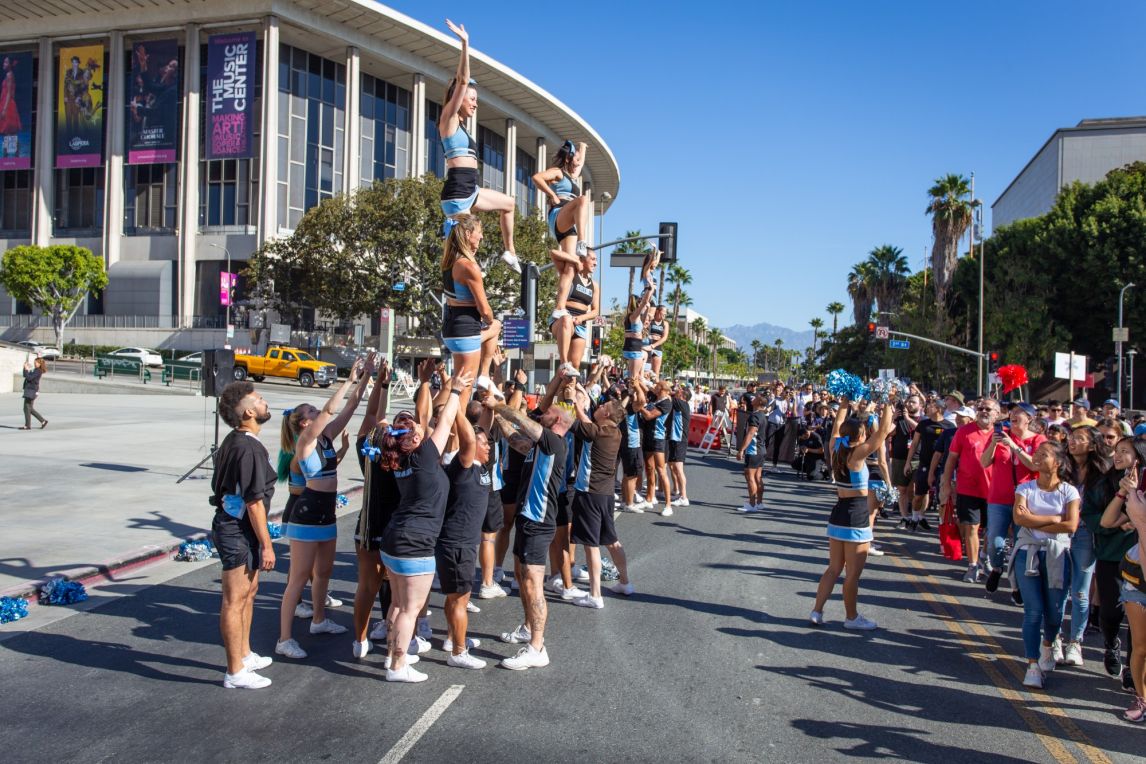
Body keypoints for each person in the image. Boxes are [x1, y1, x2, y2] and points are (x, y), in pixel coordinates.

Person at [378, 367, 472, 683]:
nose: (423, 426)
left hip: (395, 540)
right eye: (419, 428)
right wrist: (456, 390)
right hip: (414, 543)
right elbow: (443, 420)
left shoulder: (402, 460)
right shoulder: (425, 456)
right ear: (417, 438)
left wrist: (437, 386)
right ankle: (398, 665)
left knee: (398, 605)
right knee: (410, 608)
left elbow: (430, 415)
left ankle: (392, 656)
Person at [275, 358, 372, 661]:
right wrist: (347, 379)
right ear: (305, 423)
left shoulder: (327, 437)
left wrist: (366, 377)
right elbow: (330, 409)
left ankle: (318, 620)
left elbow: (350, 408)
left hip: (327, 512)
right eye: (311, 413)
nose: (318, 413)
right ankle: (284, 638)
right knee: (298, 576)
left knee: (324, 572)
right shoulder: (305, 441)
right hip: (307, 513)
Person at [486, 376, 576, 671]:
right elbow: (514, 438)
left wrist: (497, 403)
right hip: (527, 519)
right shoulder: (539, 448)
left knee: (533, 581)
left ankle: (537, 647)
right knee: (521, 575)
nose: (544, 410)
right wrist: (498, 418)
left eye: (550, 411)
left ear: (559, 420)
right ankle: (527, 627)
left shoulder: (554, 442)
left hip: (539, 522)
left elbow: (523, 421)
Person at [810, 394, 896, 629]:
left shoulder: (835, 447)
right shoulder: (857, 455)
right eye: (863, 434)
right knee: (852, 575)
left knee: (833, 568)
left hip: (838, 513)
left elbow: (837, 426)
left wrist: (844, 405)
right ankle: (851, 618)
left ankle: (817, 611)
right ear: (859, 436)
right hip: (856, 516)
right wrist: (888, 403)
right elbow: (882, 434)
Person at [210, 381, 276, 689]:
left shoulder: (237, 440)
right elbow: (254, 502)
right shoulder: (248, 448)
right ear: (249, 412)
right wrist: (267, 545)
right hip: (236, 530)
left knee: (249, 594)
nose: (264, 402)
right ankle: (234, 672)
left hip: (239, 528)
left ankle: (245, 654)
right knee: (234, 600)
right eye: (259, 399)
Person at [437, 20, 518, 267]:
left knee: (509, 204)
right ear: (457, 99)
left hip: (470, 189)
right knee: (468, 245)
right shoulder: (448, 119)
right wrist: (465, 44)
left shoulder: (461, 126)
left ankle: (510, 252)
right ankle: (459, 289)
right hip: (459, 192)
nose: (475, 103)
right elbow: (462, 80)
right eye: (471, 99)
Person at [1009, 441, 1081, 690]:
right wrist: (1053, 518)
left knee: (1055, 611)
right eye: (1036, 453)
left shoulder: (1069, 491)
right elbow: (1019, 518)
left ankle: (1048, 644)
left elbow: (1071, 525)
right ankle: (1032, 665)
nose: (1037, 457)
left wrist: (1034, 521)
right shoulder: (1025, 488)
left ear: (1058, 463)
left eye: (1044, 454)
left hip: (1057, 555)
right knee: (1033, 611)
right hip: (1028, 553)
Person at [436, 403, 492, 669]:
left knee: (455, 597)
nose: (488, 446)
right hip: (456, 543)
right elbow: (470, 438)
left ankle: (451, 639)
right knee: (460, 599)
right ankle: (458, 652)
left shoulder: (480, 468)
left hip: (465, 543)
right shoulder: (463, 466)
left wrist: (490, 402)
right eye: (484, 444)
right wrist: (457, 404)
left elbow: (484, 428)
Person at [569, 386, 634, 608]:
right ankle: (624, 582)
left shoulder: (594, 432)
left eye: (602, 406)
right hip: (606, 495)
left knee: (591, 544)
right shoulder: (615, 432)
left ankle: (595, 594)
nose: (598, 406)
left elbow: (579, 421)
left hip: (589, 493)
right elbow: (587, 420)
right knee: (612, 540)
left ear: (606, 414)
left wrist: (573, 401)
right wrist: (582, 398)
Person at [350, 361, 397, 659]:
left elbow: (370, 415)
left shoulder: (365, 454)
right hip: (394, 529)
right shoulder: (403, 459)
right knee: (399, 590)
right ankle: (397, 643)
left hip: (367, 526)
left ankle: (360, 640)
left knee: (366, 586)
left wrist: (380, 385)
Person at [1093, 437, 1143, 692]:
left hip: (1140, 564)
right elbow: (1104, 521)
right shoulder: (1105, 481)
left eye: (1126, 451)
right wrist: (1125, 493)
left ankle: (1135, 677)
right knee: (1112, 614)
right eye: (1117, 451)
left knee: (1139, 633)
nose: (1118, 455)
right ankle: (1112, 643)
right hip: (1116, 558)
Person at [981, 402, 1045, 594]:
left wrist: (1014, 446)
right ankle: (998, 567)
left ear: (1030, 419)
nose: (1013, 415)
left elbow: (1035, 466)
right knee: (995, 540)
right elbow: (984, 462)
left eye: (1019, 413)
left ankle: (1017, 584)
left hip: (1025, 500)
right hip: (998, 498)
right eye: (1013, 412)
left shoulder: (1038, 440)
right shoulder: (1000, 436)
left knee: (1020, 544)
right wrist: (994, 442)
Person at [440, 213, 502, 406]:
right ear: (468, 234)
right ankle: (455, 434)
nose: (482, 237)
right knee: (462, 396)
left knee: (456, 386)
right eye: (479, 232)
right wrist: (489, 319)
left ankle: (484, 375)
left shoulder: (448, 262)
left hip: (452, 329)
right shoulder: (468, 266)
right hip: (466, 333)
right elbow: (484, 310)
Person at [1063, 426, 1112, 664]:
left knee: (1080, 591)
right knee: (1058, 588)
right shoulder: (1062, 467)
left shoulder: (1102, 473)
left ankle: (1075, 642)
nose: (1073, 442)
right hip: (1059, 530)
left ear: (1092, 445)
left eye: (1079, 439)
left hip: (1085, 534)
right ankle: (1052, 641)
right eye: (1071, 438)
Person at [939, 397, 1000, 583]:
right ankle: (973, 566)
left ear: (997, 414)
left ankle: (984, 556)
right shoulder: (964, 432)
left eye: (988, 409)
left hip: (995, 491)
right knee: (972, 528)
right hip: (968, 489)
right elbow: (951, 459)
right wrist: (946, 484)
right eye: (980, 408)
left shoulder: (1003, 434)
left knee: (991, 530)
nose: (984, 411)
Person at [905, 399, 953, 529]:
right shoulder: (923, 424)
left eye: (930, 406)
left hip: (942, 467)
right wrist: (908, 462)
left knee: (941, 498)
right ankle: (915, 518)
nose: (926, 409)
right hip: (924, 464)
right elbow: (914, 444)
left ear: (938, 409)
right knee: (919, 494)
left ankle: (938, 522)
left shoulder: (950, 427)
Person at [554, 250, 600, 372]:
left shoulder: (594, 285)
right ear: (583, 259)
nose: (596, 263)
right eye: (593, 259)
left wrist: (581, 318)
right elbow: (553, 253)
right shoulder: (570, 273)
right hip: (563, 319)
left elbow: (595, 311)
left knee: (575, 366)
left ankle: (561, 389)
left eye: (596, 260)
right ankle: (563, 362)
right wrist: (575, 260)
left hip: (580, 324)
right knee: (566, 319)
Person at [620, 254, 659, 382]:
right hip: (633, 349)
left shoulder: (635, 318)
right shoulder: (633, 316)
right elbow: (643, 303)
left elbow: (643, 320)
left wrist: (657, 253)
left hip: (634, 348)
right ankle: (630, 398)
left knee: (635, 378)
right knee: (634, 379)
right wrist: (650, 291)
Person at [638, 380, 674, 516]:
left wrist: (638, 407)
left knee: (661, 470)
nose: (654, 387)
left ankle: (668, 504)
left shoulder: (666, 403)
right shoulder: (655, 399)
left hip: (658, 438)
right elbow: (645, 387)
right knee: (649, 468)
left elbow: (649, 416)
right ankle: (649, 498)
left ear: (663, 389)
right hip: (648, 436)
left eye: (657, 386)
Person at [890, 394, 921, 529]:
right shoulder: (898, 419)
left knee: (915, 490)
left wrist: (908, 418)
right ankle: (904, 517)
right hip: (899, 457)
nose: (910, 405)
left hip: (917, 459)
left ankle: (917, 516)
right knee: (902, 489)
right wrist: (892, 419)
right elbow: (888, 433)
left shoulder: (923, 419)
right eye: (908, 402)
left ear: (920, 405)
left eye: (913, 402)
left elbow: (920, 430)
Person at [737, 395, 768, 513]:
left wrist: (741, 450)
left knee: (750, 477)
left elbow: (750, 434)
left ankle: (752, 504)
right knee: (757, 477)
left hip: (754, 450)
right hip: (761, 450)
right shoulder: (763, 415)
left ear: (759, 402)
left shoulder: (755, 416)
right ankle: (759, 503)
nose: (752, 399)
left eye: (755, 398)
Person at [667, 385, 691, 506]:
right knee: (672, 466)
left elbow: (667, 394)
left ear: (682, 395)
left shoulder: (682, 404)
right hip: (673, 439)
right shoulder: (679, 403)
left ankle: (684, 497)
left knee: (679, 468)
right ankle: (676, 490)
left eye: (679, 391)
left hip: (680, 440)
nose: (677, 391)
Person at [0, 56, 23, 158]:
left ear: (10, 64)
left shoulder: (10, 75)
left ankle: (13, 154)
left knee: (10, 131)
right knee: (7, 132)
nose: (3, 64)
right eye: (4, 62)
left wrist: (4, 109)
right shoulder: (7, 75)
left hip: (8, 105)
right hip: (5, 104)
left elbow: (9, 93)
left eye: (6, 62)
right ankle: (8, 154)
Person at [20, 356, 47, 430]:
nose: (35, 364)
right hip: (30, 390)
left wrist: (26, 369)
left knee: (27, 408)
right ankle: (43, 421)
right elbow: (25, 375)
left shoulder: (38, 371)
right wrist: (25, 368)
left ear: (40, 364)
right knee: (29, 408)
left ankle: (28, 425)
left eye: (37, 363)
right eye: (35, 362)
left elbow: (29, 378)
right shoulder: (35, 370)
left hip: (32, 391)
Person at [645, 305, 670, 380]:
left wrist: (653, 345)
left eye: (666, 313)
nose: (665, 314)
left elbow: (664, 337)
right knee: (646, 372)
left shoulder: (665, 323)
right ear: (658, 311)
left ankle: (656, 389)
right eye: (664, 312)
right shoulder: (651, 320)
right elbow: (644, 330)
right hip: (647, 346)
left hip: (657, 347)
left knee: (656, 373)